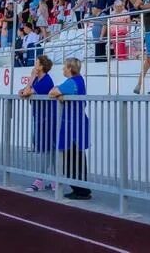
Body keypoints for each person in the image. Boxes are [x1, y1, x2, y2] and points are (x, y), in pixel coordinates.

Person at [49, 57, 91, 200]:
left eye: (64, 67)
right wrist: (62, 95)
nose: (63, 69)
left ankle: (80, 190)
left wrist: (60, 95)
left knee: (72, 159)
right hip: (76, 124)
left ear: (70, 68)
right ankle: (81, 189)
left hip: (72, 127)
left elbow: (52, 92)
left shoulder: (72, 82)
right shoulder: (79, 81)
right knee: (77, 158)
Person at [19, 54, 57, 193]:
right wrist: (26, 88)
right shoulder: (38, 80)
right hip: (40, 117)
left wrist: (31, 80)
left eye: (36, 63)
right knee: (49, 150)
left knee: (47, 150)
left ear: (41, 66)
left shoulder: (45, 81)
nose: (34, 65)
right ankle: (54, 180)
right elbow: (23, 92)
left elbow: (27, 91)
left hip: (47, 118)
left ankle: (41, 180)